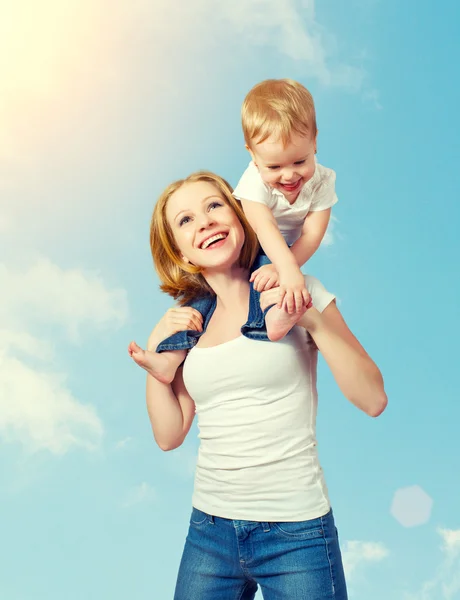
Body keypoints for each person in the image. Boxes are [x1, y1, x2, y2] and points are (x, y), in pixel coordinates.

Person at [128, 170, 387, 600]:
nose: (206, 222)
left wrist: (312, 321)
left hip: (296, 533)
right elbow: (169, 435)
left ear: (240, 215)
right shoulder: (190, 325)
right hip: (209, 532)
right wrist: (157, 360)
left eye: (214, 206)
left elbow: (374, 398)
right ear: (179, 250)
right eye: (186, 220)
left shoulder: (297, 290)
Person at [144, 78, 336, 384]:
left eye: (300, 161)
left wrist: (286, 269)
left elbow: (313, 234)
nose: (289, 175)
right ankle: (168, 359)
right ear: (252, 155)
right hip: (264, 242)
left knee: (262, 284)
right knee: (199, 306)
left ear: (315, 141)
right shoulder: (252, 184)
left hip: (282, 256)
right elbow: (264, 227)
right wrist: (282, 267)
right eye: (274, 167)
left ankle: (273, 319)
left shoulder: (323, 181)